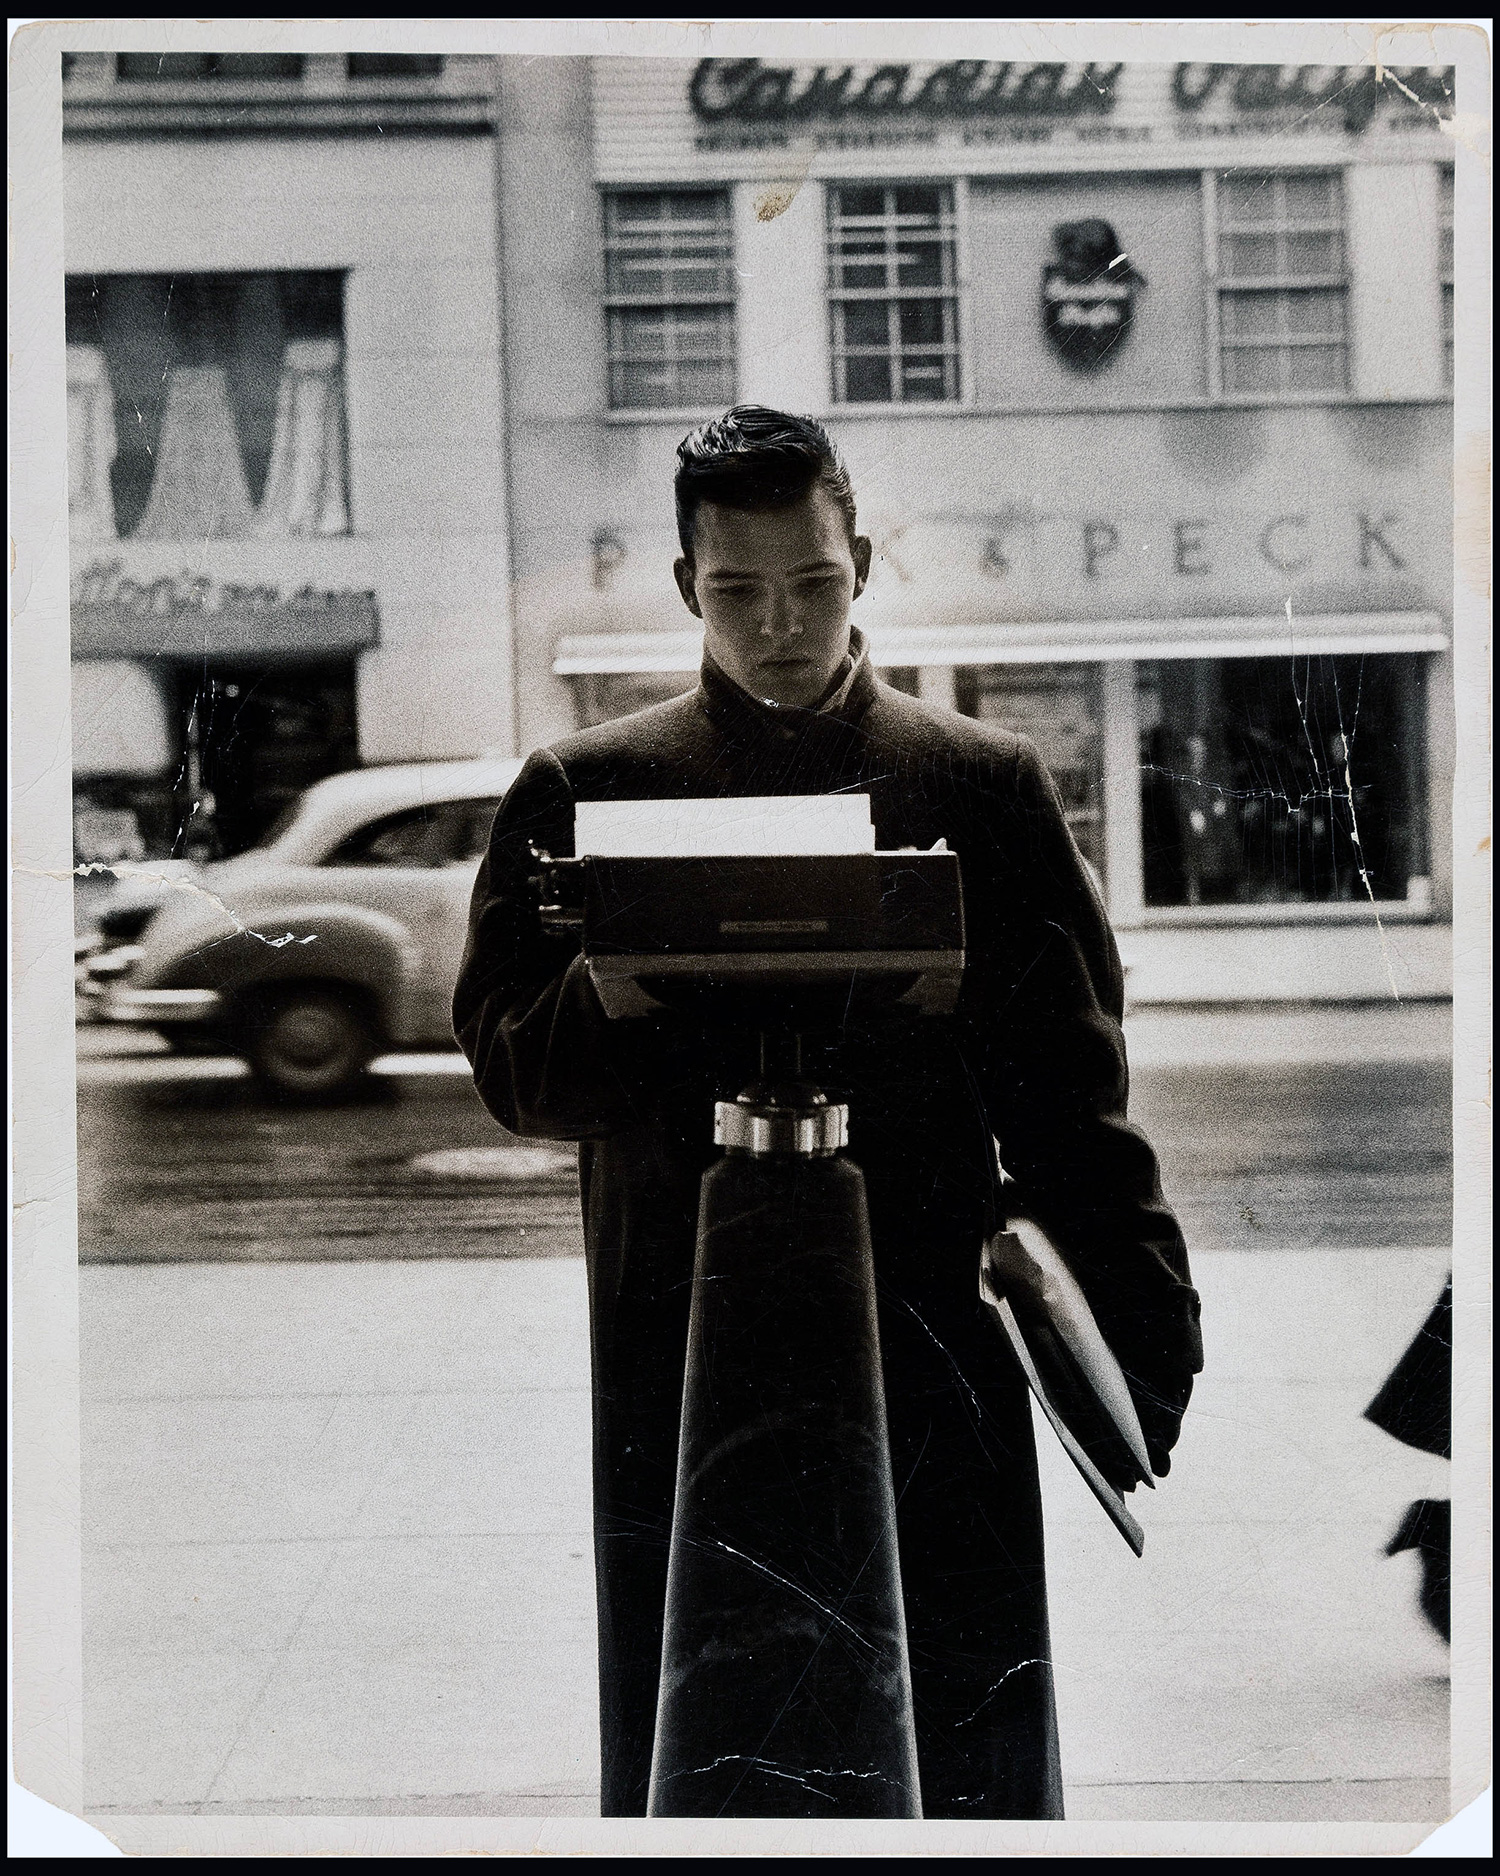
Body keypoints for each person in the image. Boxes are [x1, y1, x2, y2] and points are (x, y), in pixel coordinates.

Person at [453, 406, 1204, 1820]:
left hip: (928, 1330)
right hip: (679, 1328)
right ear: (686, 586)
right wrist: (615, 986)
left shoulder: (983, 787)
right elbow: (513, 1073)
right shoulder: (581, 790)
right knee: (708, 1710)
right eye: (736, 590)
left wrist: (1140, 1330)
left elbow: (1073, 1092)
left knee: (960, 1700)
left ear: (864, 563)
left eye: (813, 583)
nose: (778, 624)